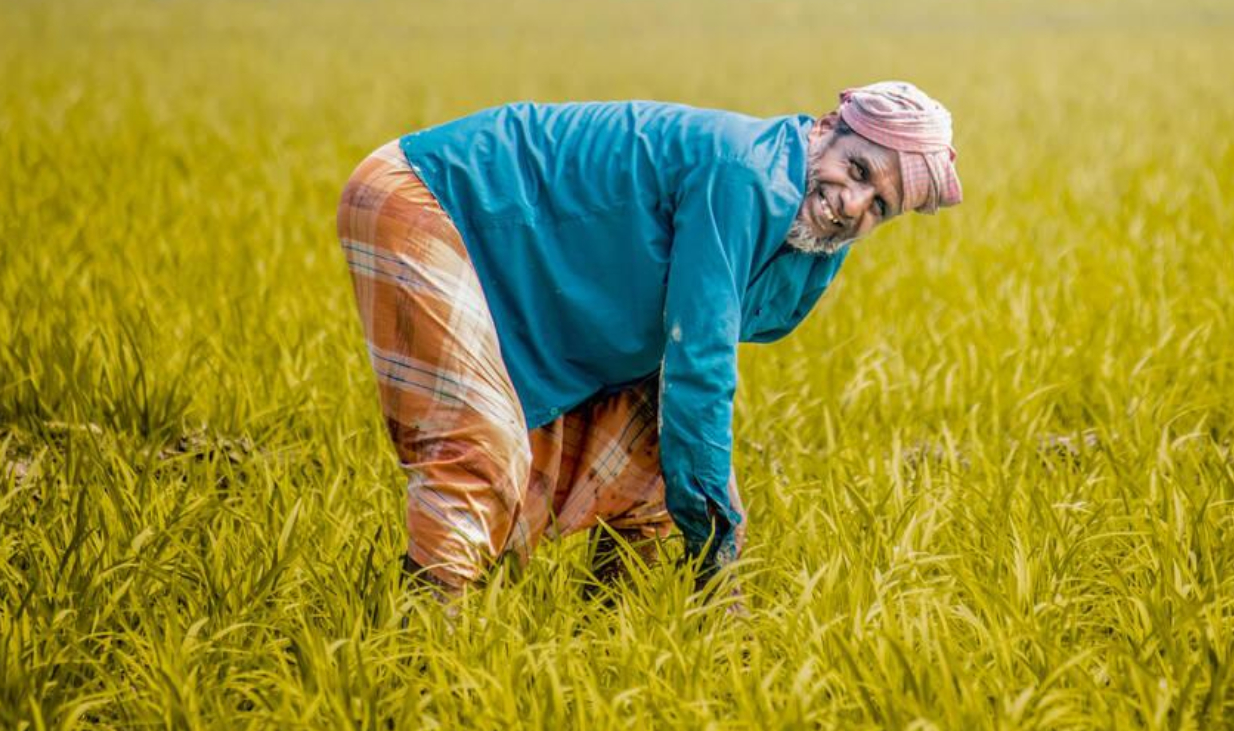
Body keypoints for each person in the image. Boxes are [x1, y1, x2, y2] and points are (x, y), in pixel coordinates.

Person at [336, 82, 961, 596]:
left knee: (653, 463)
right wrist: (721, 552)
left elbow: (679, 378)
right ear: (826, 128)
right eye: (857, 170)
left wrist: (705, 511)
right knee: (481, 448)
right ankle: (417, 653)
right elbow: (699, 363)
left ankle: (603, 639)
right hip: (428, 197)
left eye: (879, 205)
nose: (853, 204)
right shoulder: (745, 174)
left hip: (519, 258)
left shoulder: (808, 244)